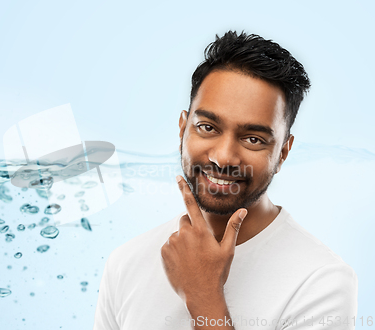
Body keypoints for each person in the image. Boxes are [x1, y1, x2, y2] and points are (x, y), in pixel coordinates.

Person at [92, 30, 358, 330]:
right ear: (183, 128)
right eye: (207, 127)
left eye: (253, 139)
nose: (223, 157)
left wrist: (203, 296)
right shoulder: (125, 263)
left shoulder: (322, 281)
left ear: (283, 152)